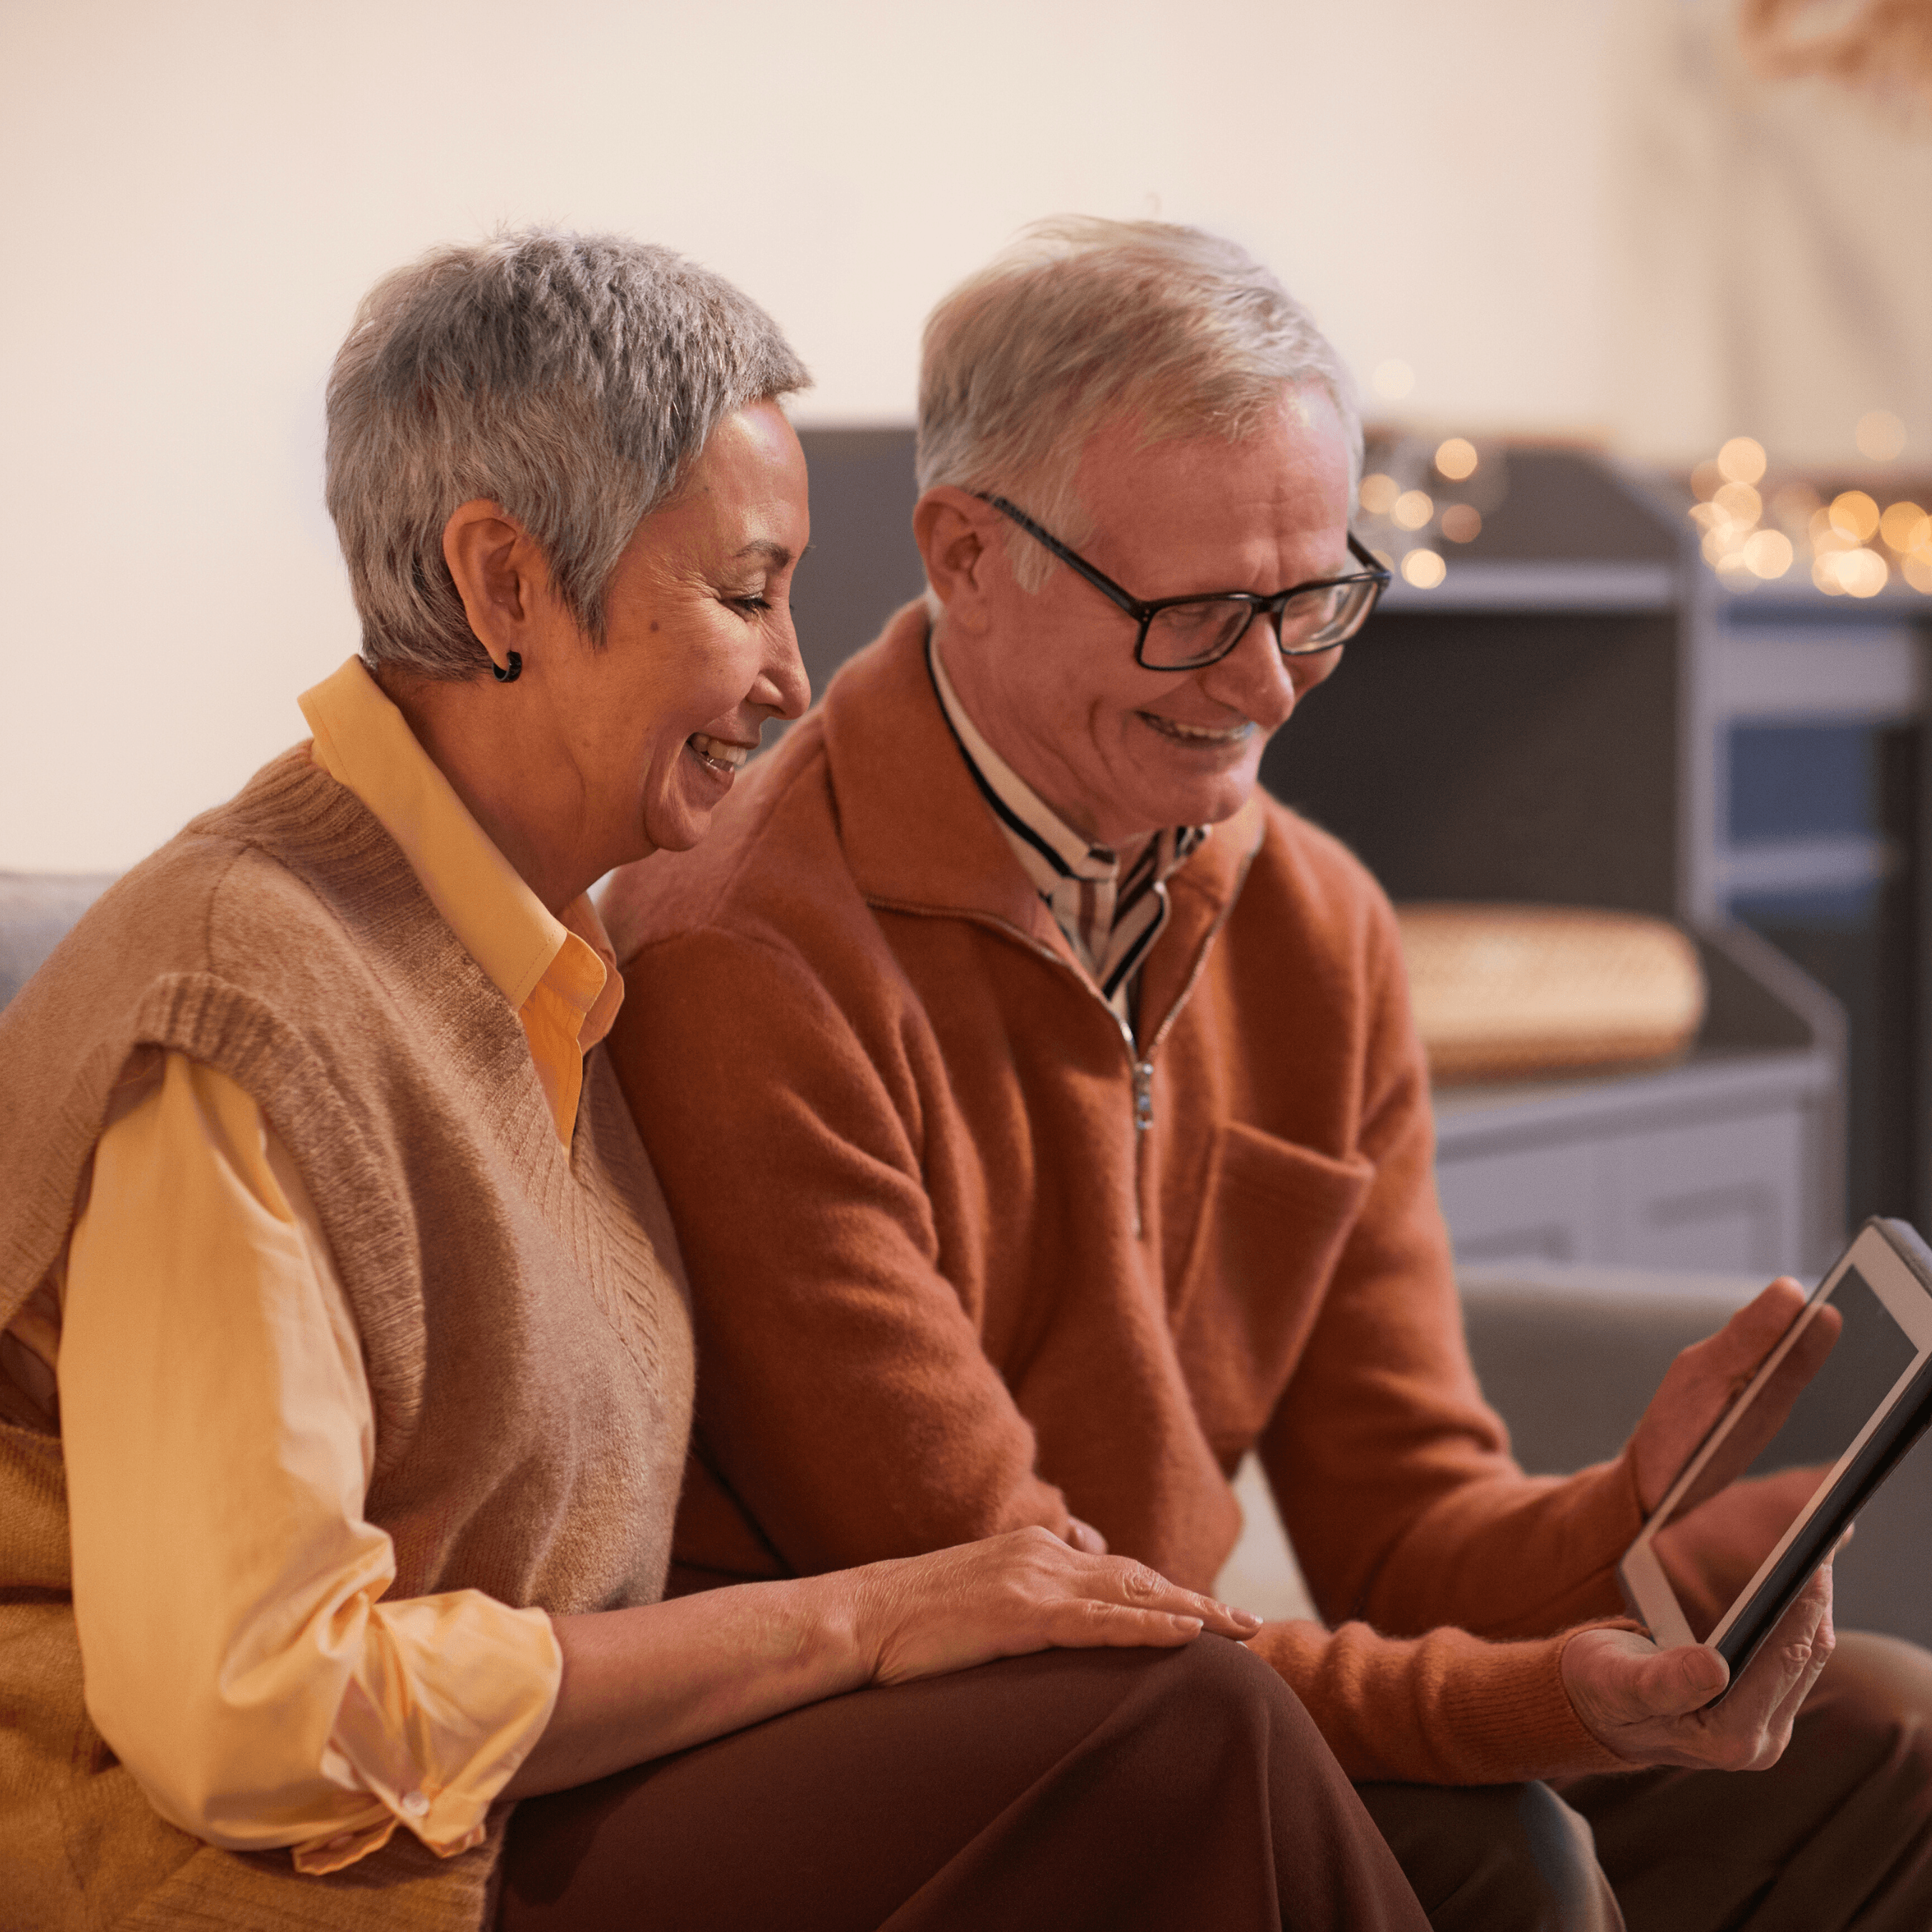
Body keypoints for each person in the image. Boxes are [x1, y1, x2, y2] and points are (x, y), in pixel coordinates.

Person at [0, 230, 1430, 1931]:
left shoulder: (529, 959)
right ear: (505, 586)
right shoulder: (241, 1004)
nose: (788, 674)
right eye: (745, 593)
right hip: (297, 1881)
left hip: (533, 1808)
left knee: (1344, 1807)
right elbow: (253, 1718)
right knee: (1185, 1739)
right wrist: (857, 1623)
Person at [601, 217, 1932, 1931]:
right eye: (1198, 612)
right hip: (929, 1758)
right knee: (1495, 1853)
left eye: (1314, 599)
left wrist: (1642, 1533)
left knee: (1889, 1743)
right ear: (966, 554)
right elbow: (1052, 1621)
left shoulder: (1314, 922)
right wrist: (1541, 1704)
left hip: (1192, 1695)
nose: (1266, 685)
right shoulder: (748, 966)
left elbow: (1404, 1525)